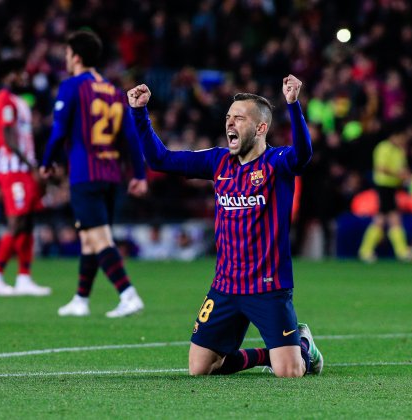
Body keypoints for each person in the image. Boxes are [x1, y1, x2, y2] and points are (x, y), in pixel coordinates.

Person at [127, 75, 323, 377]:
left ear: (261, 128)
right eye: (229, 117)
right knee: (200, 368)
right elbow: (160, 159)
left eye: (239, 118)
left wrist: (294, 105)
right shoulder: (217, 162)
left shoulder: (277, 162)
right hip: (226, 286)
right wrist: (139, 112)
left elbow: (303, 155)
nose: (230, 124)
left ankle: (304, 348)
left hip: (267, 286)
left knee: (291, 372)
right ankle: (267, 356)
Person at [40, 30, 148, 318]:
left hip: (85, 175)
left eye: (66, 54)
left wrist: (47, 161)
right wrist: (138, 174)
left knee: (100, 239)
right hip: (111, 175)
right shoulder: (114, 92)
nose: (65, 59)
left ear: (76, 56)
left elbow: (59, 130)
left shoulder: (72, 86)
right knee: (89, 238)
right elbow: (130, 137)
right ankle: (81, 299)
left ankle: (128, 294)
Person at [0, 58, 51, 296]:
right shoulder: (3, 99)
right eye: (18, 72)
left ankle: (24, 278)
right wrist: (30, 165)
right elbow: (8, 138)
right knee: (17, 221)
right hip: (13, 169)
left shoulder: (19, 101)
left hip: (23, 168)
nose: (23, 76)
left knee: (28, 221)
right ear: (7, 75)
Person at [358, 124, 411, 262]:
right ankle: (401, 251)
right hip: (383, 186)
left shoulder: (399, 151)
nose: (403, 141)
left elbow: (403, 169)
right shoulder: (383, 148)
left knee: (382, 218)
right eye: (402, 138)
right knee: (391, 218)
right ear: (395, 136)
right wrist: (399, 175)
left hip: (392, 188)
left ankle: (366, 250)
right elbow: (380, 168)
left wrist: (405, 176)